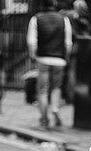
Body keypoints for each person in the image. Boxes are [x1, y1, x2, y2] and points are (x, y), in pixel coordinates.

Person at [27, 0, 72, 130]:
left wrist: (33, 57)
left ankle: (44, 120)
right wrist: (66, 58)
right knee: (56, 87)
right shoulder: (64, 19)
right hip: (59, 59)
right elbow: (68, 43)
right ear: (55, 5)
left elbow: (32, 42)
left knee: (42, 90)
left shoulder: (36, 18)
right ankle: (55, 108)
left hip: (43, 58)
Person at [59, 0, 91, 103]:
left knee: (68, 72)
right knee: (72, 72)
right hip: (77, 47)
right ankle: (71, 96)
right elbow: (87, 35)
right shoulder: (80, 18)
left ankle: (68, 95)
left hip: (69, 47)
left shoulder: (68, 15)